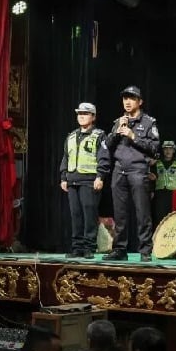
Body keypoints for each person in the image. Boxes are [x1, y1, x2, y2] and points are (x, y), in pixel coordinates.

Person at [105, 85, 160, 262]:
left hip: (138, 170)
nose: (127, 102)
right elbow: (107, 145)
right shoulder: (118, 121)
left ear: (140, 101)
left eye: (132, 98)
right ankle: (120, 249)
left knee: (142, 212)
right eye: (125, 98)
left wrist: (133, 136)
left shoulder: (149, 122)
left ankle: (145, 250)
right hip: (119, 170)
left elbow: (154, 148)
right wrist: (117, 132)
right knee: (120, 213)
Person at [60, 102, 111, 259]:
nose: (81, 116)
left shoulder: (99, 135)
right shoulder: (71, 136)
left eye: (85, 113)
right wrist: (63, 177)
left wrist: (100, 176)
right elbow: (66, 157)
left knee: (89, 215)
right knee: (75, 215)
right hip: (72, 180)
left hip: (89, 181)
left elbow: (104, 157)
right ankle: (77, 248)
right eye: (79, 113)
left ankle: (89, 247)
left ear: (93, 117)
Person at [150, 141, 176, 228]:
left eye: (170, 149)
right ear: (163, 150)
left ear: (174, 150)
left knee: (173, 217)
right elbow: (152, 178)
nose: (168, 151)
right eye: (166, 149)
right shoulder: (157, 163)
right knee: (159, 218)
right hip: (160, 194)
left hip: (174, 194)